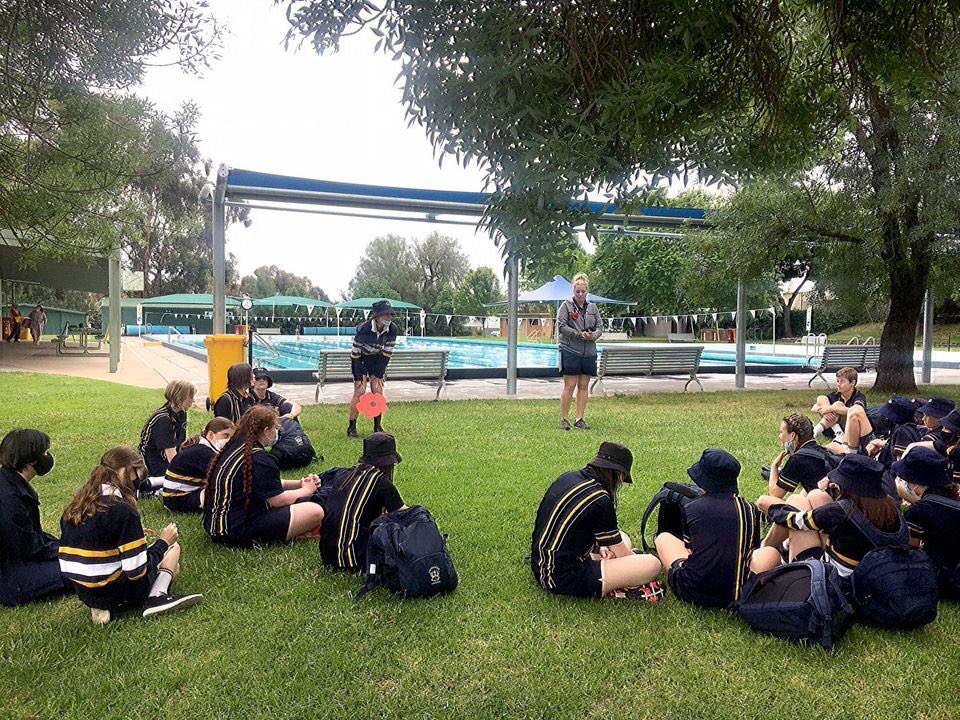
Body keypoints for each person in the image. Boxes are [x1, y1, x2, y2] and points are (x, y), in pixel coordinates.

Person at [58, 446, 202, 623]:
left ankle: (101, 607)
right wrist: (163, 542)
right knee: (173, 550)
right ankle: (157, 597)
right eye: (138, 474)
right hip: (117, 593)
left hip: (84, 592)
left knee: (163, 561)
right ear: (127, 470)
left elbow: (94, 540)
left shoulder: (77, 504)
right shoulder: (122, 510)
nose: (138, 481)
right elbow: (136, 571)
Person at [532, 442, 661, 599]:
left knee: (622, 537)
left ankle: (608, 565)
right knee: (652, 565)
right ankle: (616, 584)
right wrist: (631, 560)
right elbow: (623, 555)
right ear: (620, 475)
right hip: (561, 577)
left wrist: (600, 549)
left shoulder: (569, 477)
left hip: (542, 563)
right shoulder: (599, 499)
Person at [756, 454, 908, 584]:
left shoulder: (842, 510)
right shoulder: (890, 506)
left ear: (848, 486)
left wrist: (767, 505)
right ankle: (779, 549)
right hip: (874, 573)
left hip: (840, 581)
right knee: (816, 495)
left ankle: (764, 549)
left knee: (796, 502)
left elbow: (793, 520)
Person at [203, 405, 325, 548]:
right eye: (275, 428)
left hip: (215, 527)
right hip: (236, 532)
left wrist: (299, 483)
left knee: (301, 503)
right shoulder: (259, 458)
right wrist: (307, 490)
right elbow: (278, 500)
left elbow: (265, 484)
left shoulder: (234, 448)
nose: (276, 432)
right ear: (266, 430)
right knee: (315, 510)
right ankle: (296, 532)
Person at [655, 449, 762, 608]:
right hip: (738, 593)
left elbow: (690, 550)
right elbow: (752, 549)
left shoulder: (692, 508)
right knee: (769, 552)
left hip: (693, 592)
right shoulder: (750, 509)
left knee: (663, 538)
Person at [316, 432, 407, 571]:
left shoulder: (343, 474)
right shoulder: (381, 482)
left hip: (327, 554)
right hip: (354, 559)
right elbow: (404, 514)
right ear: (389, 463)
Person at [0, 429, 72, 606]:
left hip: (14, 560)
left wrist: (65, 546)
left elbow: (32, 534)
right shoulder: (10, 497)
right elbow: (28, 547)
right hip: (9, 574)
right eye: (45, 452)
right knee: (81, 571)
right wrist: (67, 551)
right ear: (32, 459)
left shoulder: (10, 482)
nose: (48, 456)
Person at [893, 447, 960, 599]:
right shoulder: (954, 500)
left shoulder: (918, 511)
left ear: (917, 481)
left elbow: (910, 552)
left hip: (949, 579)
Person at [556, 273, 602, 431]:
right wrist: (578, 334)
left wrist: (592, 336)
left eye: (583, 291)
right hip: (570, 350)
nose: (580, 294)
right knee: (569, 385)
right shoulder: (566, 306)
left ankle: (579, 418)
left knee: (583, 385)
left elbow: (599, 328)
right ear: (573, 291)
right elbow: (561, 326)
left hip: (588, 352)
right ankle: (564, 419)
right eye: (578, 292)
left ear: (587, 291)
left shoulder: (593, 308)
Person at [162, 417, 235, 514]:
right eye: (225, 436)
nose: (229, 440)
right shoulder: (204, 452)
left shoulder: (202, 447)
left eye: (231, 437)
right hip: (178, 500)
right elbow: (223, 478)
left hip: (175, 497)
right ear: (210, 435)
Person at [347, 300, 397, 437]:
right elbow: (355, 354)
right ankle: (351, 427)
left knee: (378, 391)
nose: (389, 318)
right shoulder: (364, 329)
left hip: (377, 360)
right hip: (361, 360)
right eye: (385, 315)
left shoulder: (392, 329)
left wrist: (378, 374)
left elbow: (387, 353)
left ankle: (377, 426)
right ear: (377, 317)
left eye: (390, 315)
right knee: (360, 391)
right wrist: (358, 378)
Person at [137, 380, 195, 495]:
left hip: (165, 459)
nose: (193, 401)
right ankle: (149, 487)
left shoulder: (181, 413)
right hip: (153, 461)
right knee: (185, 480)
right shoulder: (163, 420)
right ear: (180, 399)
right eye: (191, 397)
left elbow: (181, 444)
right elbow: (171, 456)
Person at [811, 367, 875, 455]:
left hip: (850, 431)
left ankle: (818, 431)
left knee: (838, 405)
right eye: (837, 381)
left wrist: (831, 408)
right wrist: (824, 410)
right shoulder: (835, 395)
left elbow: (856, 411)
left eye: (842, 381)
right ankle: (816, 432)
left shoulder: (859, 397)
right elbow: (814, 408)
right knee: (822, 398)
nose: (838, 384)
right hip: (831, 429)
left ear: (852, 383)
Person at [864, 395, 923, 467]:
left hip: (888, 472)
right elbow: (892, 445)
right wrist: (878, 444)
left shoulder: (903, 431)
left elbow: (900, 463)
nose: (886, 417)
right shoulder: (899, 427)